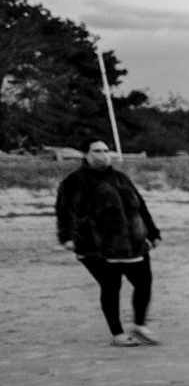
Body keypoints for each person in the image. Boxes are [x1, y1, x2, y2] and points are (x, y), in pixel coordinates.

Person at [55, 140, 161, 346]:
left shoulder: (120, 178)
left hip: (132, 242)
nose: (102, 155)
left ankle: (139, 325)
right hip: (96, 245)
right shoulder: (75, 181)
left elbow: (140, 207)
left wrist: (153, 232)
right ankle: (117, 334)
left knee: (144, 282)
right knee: (111, 286)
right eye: (96, 151)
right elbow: (65, 210)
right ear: (86, 154)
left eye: (105, 151)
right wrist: (67, 237)